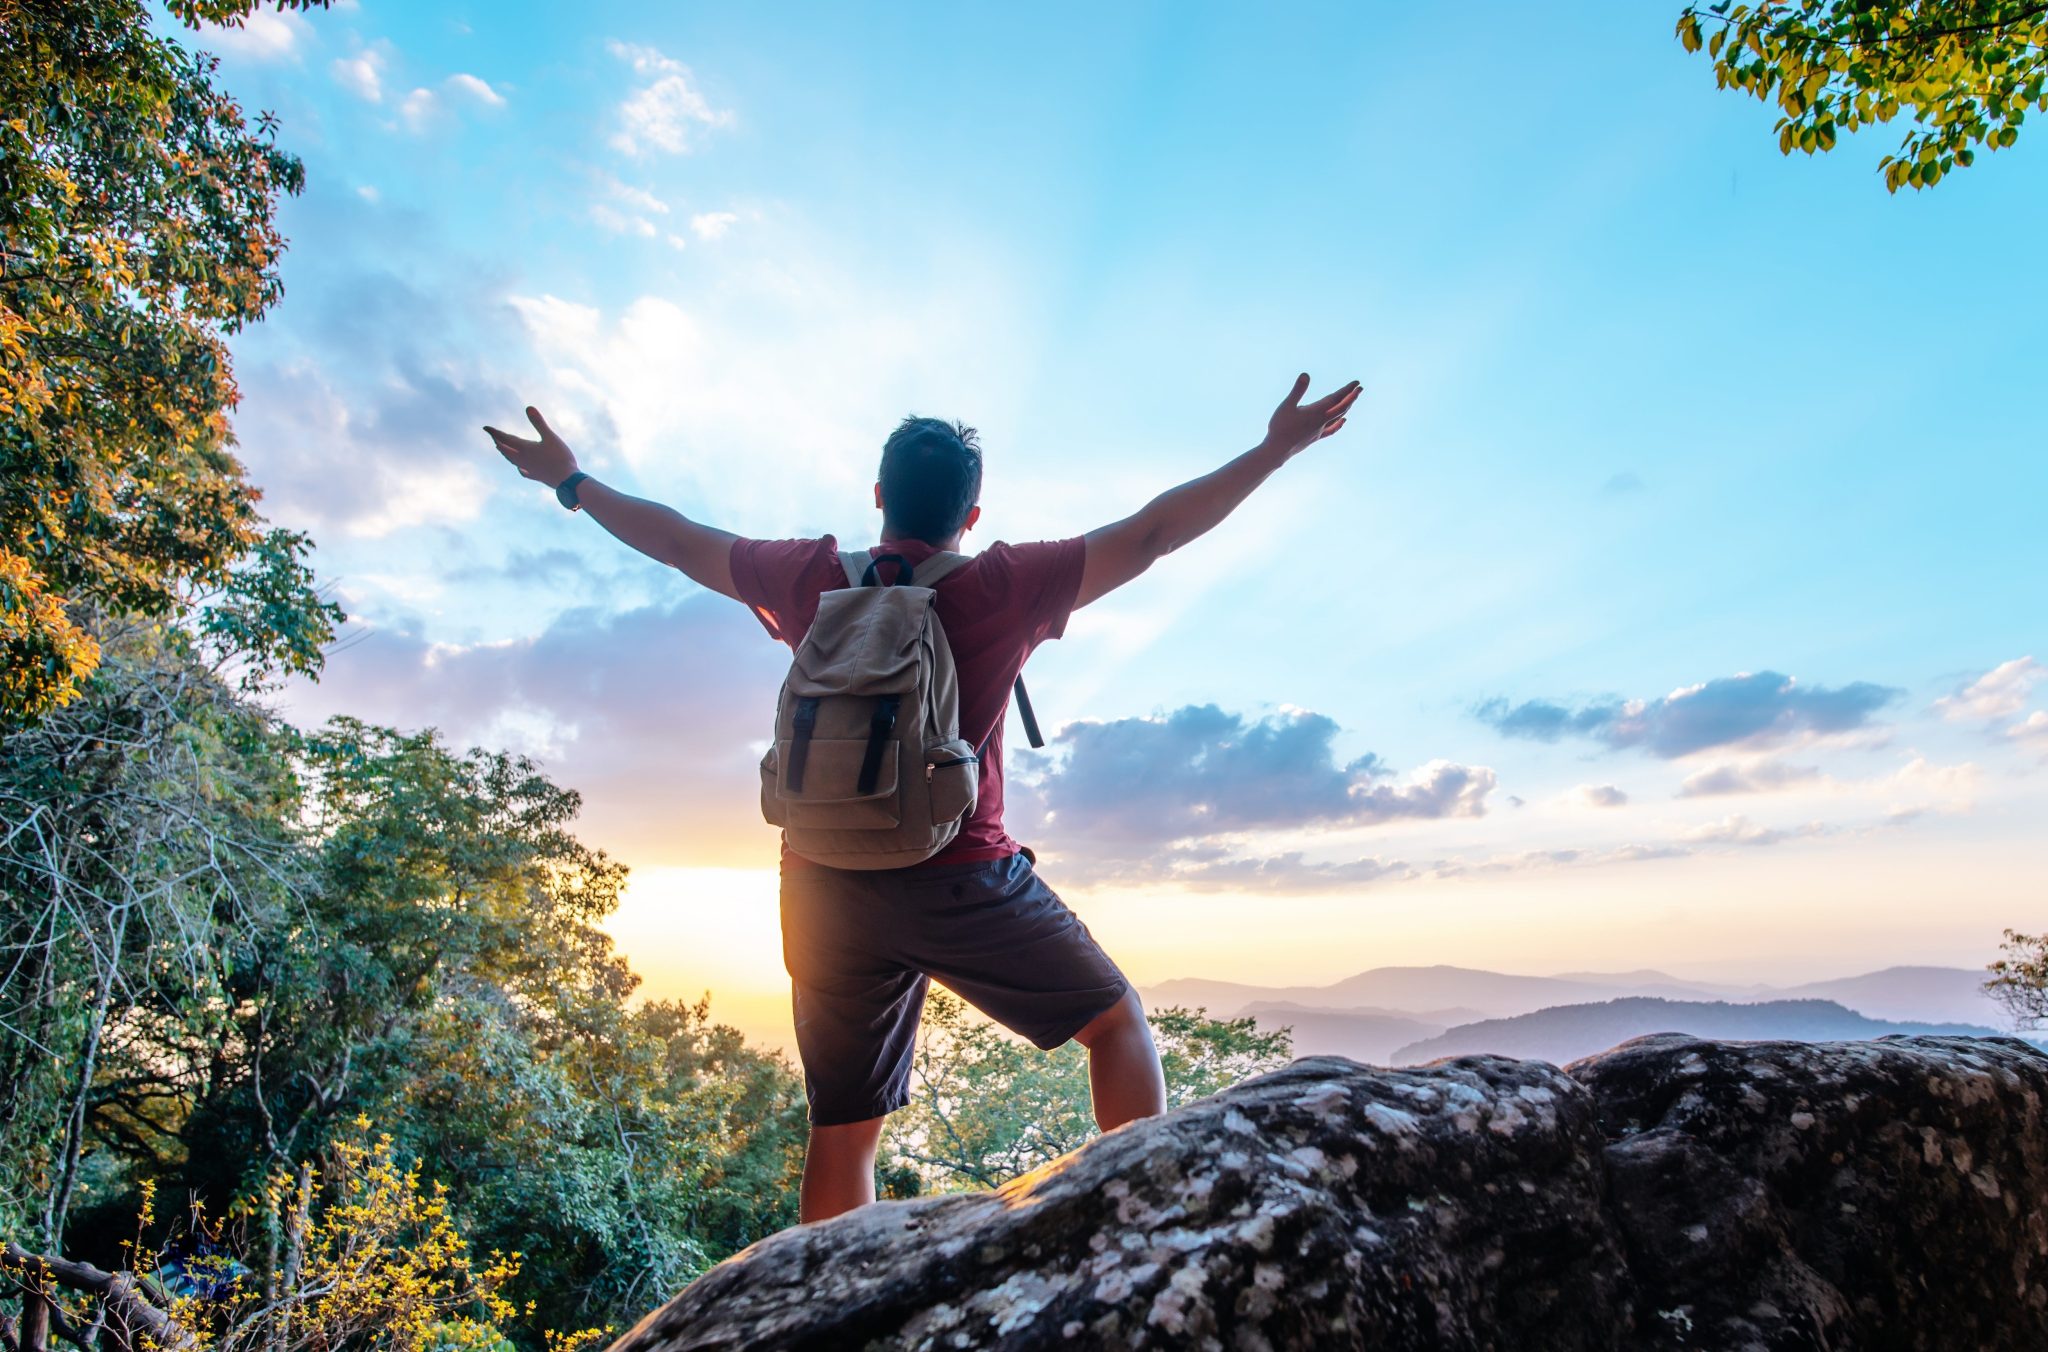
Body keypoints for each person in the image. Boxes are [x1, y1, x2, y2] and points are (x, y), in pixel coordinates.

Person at [484, 372, 1361, 1222]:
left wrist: (570, 480)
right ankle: (1146, 1231)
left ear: (878, 495)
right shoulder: (1002, 584)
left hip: (821, 885)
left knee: (843, 1134)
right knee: (1119, 1024)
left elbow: (677, 539)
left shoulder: (812, 576)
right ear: (971, 516)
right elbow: (1154, 532)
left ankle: (824, 1309)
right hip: (963, 877)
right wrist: (1274, 451)